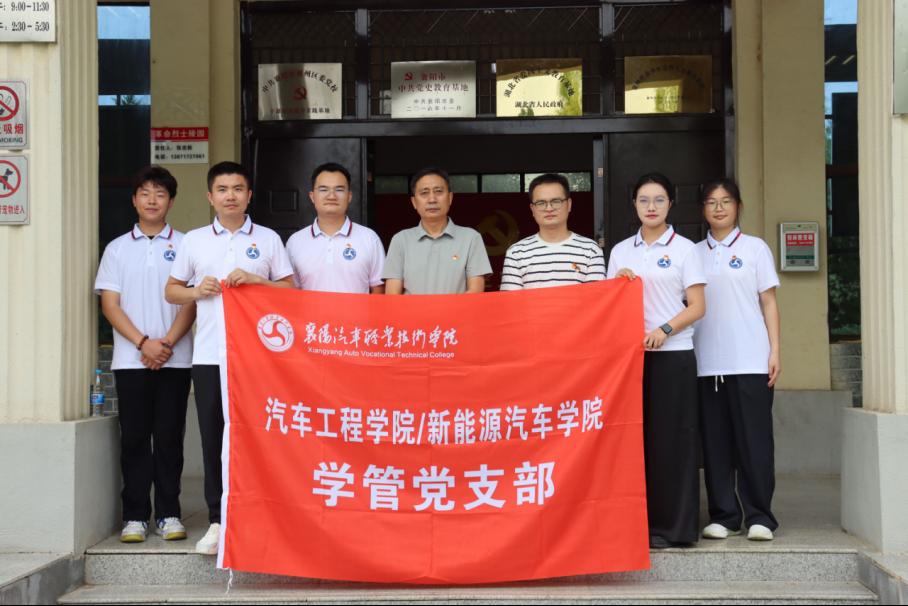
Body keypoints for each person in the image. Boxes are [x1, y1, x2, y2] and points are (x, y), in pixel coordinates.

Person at [165, 161, 294, 555]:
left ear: (249, 195)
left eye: (238, 189)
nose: (230, 196)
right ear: (210, 197)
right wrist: (195, 291)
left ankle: (263, 516)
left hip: (258, 358)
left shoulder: (268, 239)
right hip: (209, 356)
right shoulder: (195, 240)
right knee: (214, 439)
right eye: (222, 189)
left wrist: (257, 281)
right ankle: (218, 520)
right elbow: (171, 290)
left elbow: (291, 292)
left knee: (261, 437)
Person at [94, 165, 196, 544]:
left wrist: (165, 343)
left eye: (160, 194)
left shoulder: (187, 245)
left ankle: (169, 513)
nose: (152, 200)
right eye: (145, 193)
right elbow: (110, 305)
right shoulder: (117, 249)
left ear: (171, 201)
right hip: (131, 360)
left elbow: (191, 302)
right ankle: (135, 516)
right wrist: (143, 344)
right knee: (135, 439)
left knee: (169, 438)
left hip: (176, 359)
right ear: (134, 200)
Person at [606, 172, 706, 548]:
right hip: (630, 359)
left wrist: (664, 329)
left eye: (659, 200)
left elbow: (697, 306)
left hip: (673, 357)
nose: (651, 207)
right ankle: (638, 525)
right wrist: (618, 283)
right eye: (644, 200)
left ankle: (675, 528)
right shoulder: (621, 251)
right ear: (634, 204)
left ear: (670, 204)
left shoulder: (685, 249)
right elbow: (607, 304)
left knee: (673, 442)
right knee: (634, 442)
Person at [693, 179, 781, 542]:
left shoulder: (755, 248)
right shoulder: (691, 253)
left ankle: (760, 516)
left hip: (750, 360)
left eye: (726, 201)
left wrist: (775, 350)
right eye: (711, 202)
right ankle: (725, 516)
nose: (719, 208)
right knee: (715, 444)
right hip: (706, 363)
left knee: (754, 442)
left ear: (738, 206)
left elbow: (769, 302)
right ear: (703, 209)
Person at [383, 167, 491, 294]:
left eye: (438, 191)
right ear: (414, 202)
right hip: (412, 309)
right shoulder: (400, 240)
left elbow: (476, 290)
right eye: (424, 193)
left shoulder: (471, 238)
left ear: (450, 198)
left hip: (458, 308)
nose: (432, 199)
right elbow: (392, 295)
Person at [286, 162, 385, 294]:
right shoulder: (295, 242)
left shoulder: (369, 238)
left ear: (349, 196)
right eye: (323, 190)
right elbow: (290, 290)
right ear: (312, 196)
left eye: (339, 190)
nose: (331, 196)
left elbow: (378, 287)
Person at [500, 173, 604, 290]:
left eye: (556, 201)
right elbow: (511, 300)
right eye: (541, 203)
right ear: (532, 209)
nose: (549, 208)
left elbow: (597, 297)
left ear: (569, 204)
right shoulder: (516, 253)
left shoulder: (591, 250)